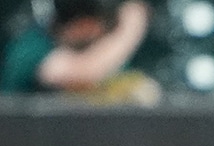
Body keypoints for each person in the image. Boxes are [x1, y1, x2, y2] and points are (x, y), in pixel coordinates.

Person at [0, 0, 158, 104]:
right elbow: (79, 73)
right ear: (85, 24)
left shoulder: (101, 50)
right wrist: (130, 28)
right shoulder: (32, 46)